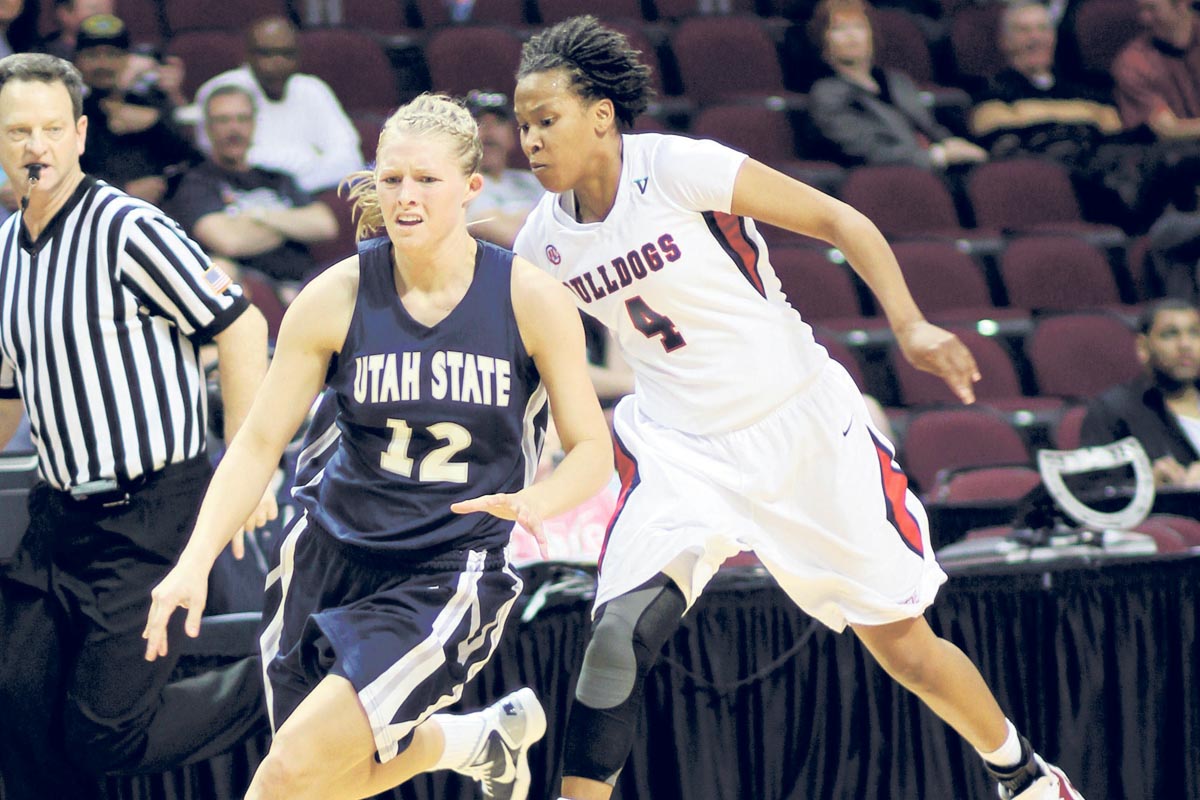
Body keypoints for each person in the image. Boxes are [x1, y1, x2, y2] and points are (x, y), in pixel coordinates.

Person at [511, 16, 1085, 800]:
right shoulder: (542, 242)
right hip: (683, 448)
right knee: (615, 635)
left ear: (601, 116)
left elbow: (841, 220)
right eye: (522, 127)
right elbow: (487, 246)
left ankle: (1024, 776)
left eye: (547, 121)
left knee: (904, 647)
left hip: (802, 427)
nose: (530, 142)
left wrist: (910, 323)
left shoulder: (677, 168)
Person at [142, 93, 615, 800]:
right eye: (391, 179)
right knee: (321, 779)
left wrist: (533, 500)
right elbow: (260, 441)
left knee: (286, 776)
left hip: (443, 571)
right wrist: (194, 561)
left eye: (426, 180)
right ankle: (468, 739)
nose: (406, 196)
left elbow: (592, 451)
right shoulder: (335, 294)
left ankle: (465, 738)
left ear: (470, 188)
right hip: (325, 554)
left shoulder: (528, 298)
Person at [0, 53, 274, 800]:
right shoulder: (3, 251)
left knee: (104, 732)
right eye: (19, 130)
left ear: (82, 133)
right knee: (16, 701)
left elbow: (243, 327)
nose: (37, 146)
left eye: (53, 128)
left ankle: (294, 673)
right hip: (57, 514)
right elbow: (7, 389)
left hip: (150, 512)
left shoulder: (127, 227)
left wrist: (248, 472)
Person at [968, 1, 1144, 229]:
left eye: (1043, 29)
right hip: (1050, 190)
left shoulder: (1091, 95)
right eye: (1024, 31)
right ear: (1004, 42)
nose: (1035, 38)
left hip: (1108, 180)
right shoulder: (990, 96)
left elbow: (1117, 140)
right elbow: (1008, 148)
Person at [170, 84, 338, 286]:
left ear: (254, 124)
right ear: (207, 127)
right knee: (219, 270)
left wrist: (258, 216)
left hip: (302, 284)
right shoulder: (195, 183)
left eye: (242, 119)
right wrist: (292, 226)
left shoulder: (277, 178)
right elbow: (229, 242)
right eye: (223, 120)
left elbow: (325, 226)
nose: (234, 129)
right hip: (244, 287)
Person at [191, 15, 364, 195]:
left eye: (287, 54)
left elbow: (349, 159)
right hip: (243, 198)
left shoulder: (313, 89)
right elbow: (221, 160)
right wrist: (306, 164)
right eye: (266, 54)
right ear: (247, 56)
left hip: (309, 196)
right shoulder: (221, 91)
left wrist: (293, 187)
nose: (278, 63)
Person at [807, 0, 987, 169]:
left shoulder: (898, 81)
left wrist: (952, 144)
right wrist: (937, 156)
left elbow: (929, 127)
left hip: (933, 167)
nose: (851, 35)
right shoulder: (826, 94)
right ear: (823, 39)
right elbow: (866, 150)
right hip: (893, 175)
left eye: (859, 26)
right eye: (839, 28)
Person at [73, 13, 198, 204]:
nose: (103, 64)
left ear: (127, 60)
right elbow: (60, 180)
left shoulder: (153, 103)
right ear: (77, 62)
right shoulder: (68, 112)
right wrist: (122, 190)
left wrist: (156, 123)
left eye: (112, 55)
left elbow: (194, 159)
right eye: (92, 56)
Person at [1080, 298, 1200, 488]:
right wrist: (1146, 485)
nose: (1185, 344)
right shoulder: (1113, 409)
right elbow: (1093, 491)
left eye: (1195, 333)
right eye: (1170, 334)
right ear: (1143, 347)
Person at [1111, 0, 1200, 142]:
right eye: (1141, 10)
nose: (1144, 18)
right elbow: (1167, 129)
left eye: (1152, 9)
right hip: (1178, 155)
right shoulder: (1133, 62)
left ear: (1182, 4)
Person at [465, 90, 544, 249]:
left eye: (499, 122)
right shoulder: (462, 188)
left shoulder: (533, 180)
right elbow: (513, 237)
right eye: (478, 122)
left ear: (512, 135)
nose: (489, 130)